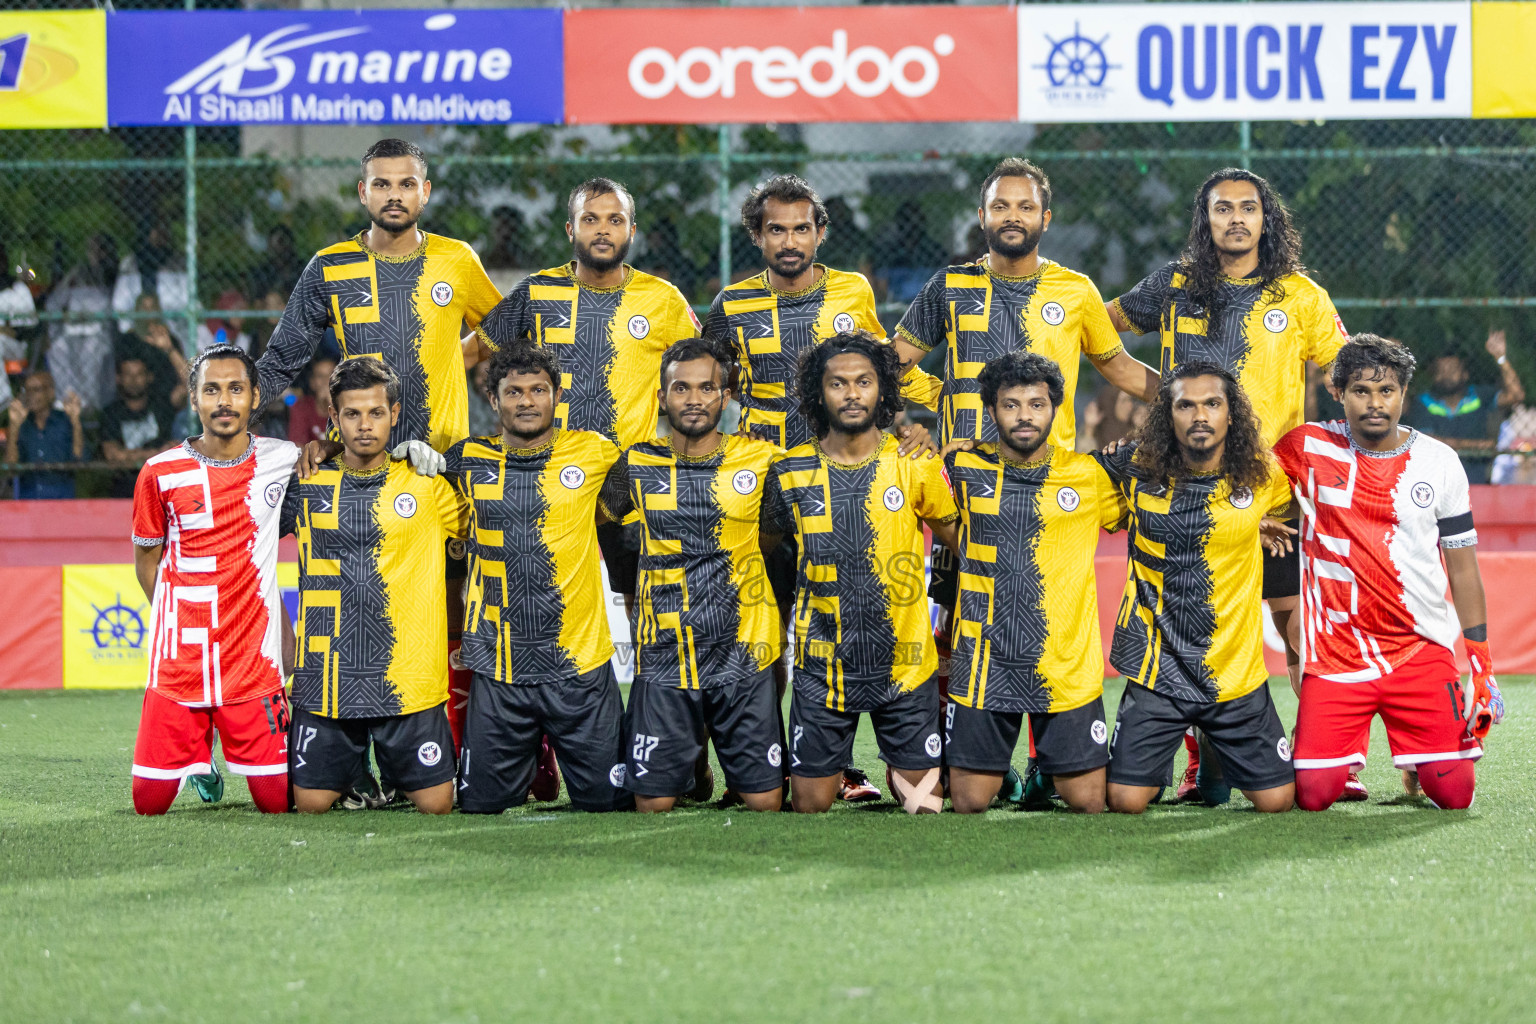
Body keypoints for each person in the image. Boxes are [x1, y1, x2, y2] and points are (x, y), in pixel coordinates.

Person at [890, 158, 1158, 784]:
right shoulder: (949, 286)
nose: (1013, 216)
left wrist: (1183, 403)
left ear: (1045, 217)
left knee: (1047, 613)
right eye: (1001, 206)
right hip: (966, 489)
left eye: (1025, 207)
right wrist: (942, 399)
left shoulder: (1076, 290)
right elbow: (893, 361)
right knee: (959, 617)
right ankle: (970, 755)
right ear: (981, 216)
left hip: (1051, 488)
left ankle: (1048, 762)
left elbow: (1117, 366)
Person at [256, 137, 505, 792]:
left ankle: (434, 758)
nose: (394, 194)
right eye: (381, 184)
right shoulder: (331, 266)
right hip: (355, 469)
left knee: (450, 612)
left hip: (439, 468)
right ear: (362, 193)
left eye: (406, 183)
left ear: (425, 192)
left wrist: (460, 358)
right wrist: (236, 439)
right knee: (349, 605)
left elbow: (507, 326)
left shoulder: (457, 259)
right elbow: (283, 356)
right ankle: (351, 766)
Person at [1107, 167, 1348, 798]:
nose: (1236, 218)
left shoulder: (1300, 296)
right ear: (1205, 219)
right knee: (1197, 625)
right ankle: (1204, 765)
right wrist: (1157, 393)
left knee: (1297, 632)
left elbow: (1348, 369)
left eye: (1248, 208)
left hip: (1275, 497)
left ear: (1267, 219)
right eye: (1223, 208)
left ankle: (1325, 759)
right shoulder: (1176, 284)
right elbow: (1097, 328)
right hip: (1184, 496)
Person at [702, 173, 941, 802]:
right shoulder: (730, 306)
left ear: (819, 232)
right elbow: (710, 385)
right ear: (757, 235)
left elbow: (879, 372)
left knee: (846, 623)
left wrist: (941, 417)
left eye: (800, 227)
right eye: (775, 228)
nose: (789, 240)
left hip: (845, 489)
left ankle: (850, 768)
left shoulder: (852, 291)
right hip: (763, 494)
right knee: (764, 635)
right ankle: (766, 764)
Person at [1272, 336, 1502, 811]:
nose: (1375, 404)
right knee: (1314, 796)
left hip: (1418, 650)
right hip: (1337, 656)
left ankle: (1417, 760)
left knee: (1455, 796)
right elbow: (1241, 481)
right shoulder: (1307, 447)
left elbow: (1462, 568)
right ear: (1339, 393)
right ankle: (1334, 749)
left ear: (1403, 394)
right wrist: (1250, 515)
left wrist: (1481, 664)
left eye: (1387, 391)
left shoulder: (1440, 462)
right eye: (1361, 390)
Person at [472, 177, 699, 622]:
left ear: (631, 231)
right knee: (540, 607)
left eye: (615, 220)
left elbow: (702, 373)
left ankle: (649, 693)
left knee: (646, 613)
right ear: (570, 230)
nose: (603, 230)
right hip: (548, 482)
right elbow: (472, 349)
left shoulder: (663, 300)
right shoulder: (537, 291)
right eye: (590, 219)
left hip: (628, 486)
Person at [760, 330, 961, 814]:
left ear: (883, 390)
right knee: (810, 806)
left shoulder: (915, 463)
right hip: (822, 669)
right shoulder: (788, 472)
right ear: (817, 393)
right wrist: (777, 635)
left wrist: (955, 624)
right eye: (838, 383)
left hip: (906, 666)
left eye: (864, 381)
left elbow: (963, 547)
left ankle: (910, 762)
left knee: (926, 807)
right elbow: (771, 562)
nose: (852, 394)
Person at [1095, 362, 1296, 815]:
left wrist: (1253, 524)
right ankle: (1189, 740)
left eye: (1212, 404)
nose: (1199, 415)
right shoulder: (1132, 468)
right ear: (1168, 414)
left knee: (1278, 802)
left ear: (1231, 414)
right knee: (1125, 801)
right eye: (1185, 405)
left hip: (1234, 671)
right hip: (1157, 669)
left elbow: (1284, 514)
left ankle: (1212, 754)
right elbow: (1067, 481)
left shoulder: (1263, 473)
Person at [598, 337, 786, 813]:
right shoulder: (635, 464)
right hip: (665, 652)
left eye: (707, 388)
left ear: (725, 396)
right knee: (653, 807)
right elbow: (600, 523)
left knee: (765, 804)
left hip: (742, 649)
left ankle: (710, 766)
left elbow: (776, 535)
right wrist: (628, 586)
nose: (695, 399)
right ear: (662, 398)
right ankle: (695, 769)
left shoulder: (762, 461)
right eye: (681, 388)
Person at [446, 344, 631, 813]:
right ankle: (535, 753)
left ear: (556, 396)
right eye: (513, 392)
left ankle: (543, 749)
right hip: (498, 666)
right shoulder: (464, 462)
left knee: (610, 803)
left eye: (538, 390)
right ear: (493, 400)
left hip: (579, 666)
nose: (526, 401)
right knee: (478, 808)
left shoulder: (594, 452)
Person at [281, 357, 467, 815]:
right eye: (352, 414)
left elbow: (489, 516)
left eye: (376, 413)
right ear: (333, 416)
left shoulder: (427, 485)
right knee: (310, 805)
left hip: (408, 678)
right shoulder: (305, 483)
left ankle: (393, 774)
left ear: (396, 414)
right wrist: (316, 450)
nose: (365, 426)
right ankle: (354, 773)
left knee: (437, 805)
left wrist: (451, 465)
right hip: (328, 678)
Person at [944, 352, 1127, 814]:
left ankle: (1048, 766)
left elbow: (1154, 514)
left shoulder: (1089, 475)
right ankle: (1003, 770)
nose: (1025, 415)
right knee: (968, 803)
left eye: (1036, 404)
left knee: (1088, 803)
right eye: (1011, 405)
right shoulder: (961, 468)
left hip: (1065, 666)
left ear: (1055, 410)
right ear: (991, 412)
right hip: (986, 663)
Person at [129, 344, 300, 815]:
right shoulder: (158, 474)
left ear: (254, 396)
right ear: (193, 398)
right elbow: (147, 560)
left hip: (252, 664)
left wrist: (323, 447)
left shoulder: (283, 459)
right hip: (182, 663)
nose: (224, 400)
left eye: (235, 389)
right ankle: (196, 761)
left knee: (277, 801)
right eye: (211, 389)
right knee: (148, 803)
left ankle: (208, 751)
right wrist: (173, 616)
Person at [1404, 331, 1524, 485]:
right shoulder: (1423, 402)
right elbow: (1428, 441)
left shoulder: (1478, 396)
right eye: (1442, 371)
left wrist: (1501, 358)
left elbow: (1516, 395)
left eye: (1452, 370)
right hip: (1436, 484)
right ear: (1433, 375)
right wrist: (1476, 446)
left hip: (1476, 483)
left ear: (1465, 374)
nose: (1447, 376)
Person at [45, 232, 118, 413]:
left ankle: (88, 403)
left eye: (101, 250)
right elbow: (53, 303)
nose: (97, 254)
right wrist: (63, 315)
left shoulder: (115, 273)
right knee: (58, 348)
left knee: (91, 350)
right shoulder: (78, 273)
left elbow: (117, 308)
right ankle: (67, 399)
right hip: (72, 330)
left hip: (99, 332)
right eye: (93, 250)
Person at [100, 354, 179, 498]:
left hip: (160, 484)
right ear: (119, 379)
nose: (133, 380)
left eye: (139, 374)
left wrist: (169, 350)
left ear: (149, 377)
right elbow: (113, 455)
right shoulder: (111, 412)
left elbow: (190, 385)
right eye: (128, 374)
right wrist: (159, 453)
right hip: (125, 486)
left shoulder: (160, 406)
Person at [5, 371, 82, 499]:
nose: (30, 395)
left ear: (50, 393)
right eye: (27, 390)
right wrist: (13, 427)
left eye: (36, 390)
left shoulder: (65, 421)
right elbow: (11, 467)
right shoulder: (22, 425)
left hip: (61, 500)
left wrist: (76, 422)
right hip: (29, 499)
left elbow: (79, 457)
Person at [285, 357, 338, 446]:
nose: (326, 381)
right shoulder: (301, 407)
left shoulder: (349, 407)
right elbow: (298, 446)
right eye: (320, 376)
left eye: (331, 375)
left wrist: (334, 407)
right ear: (312, 383)